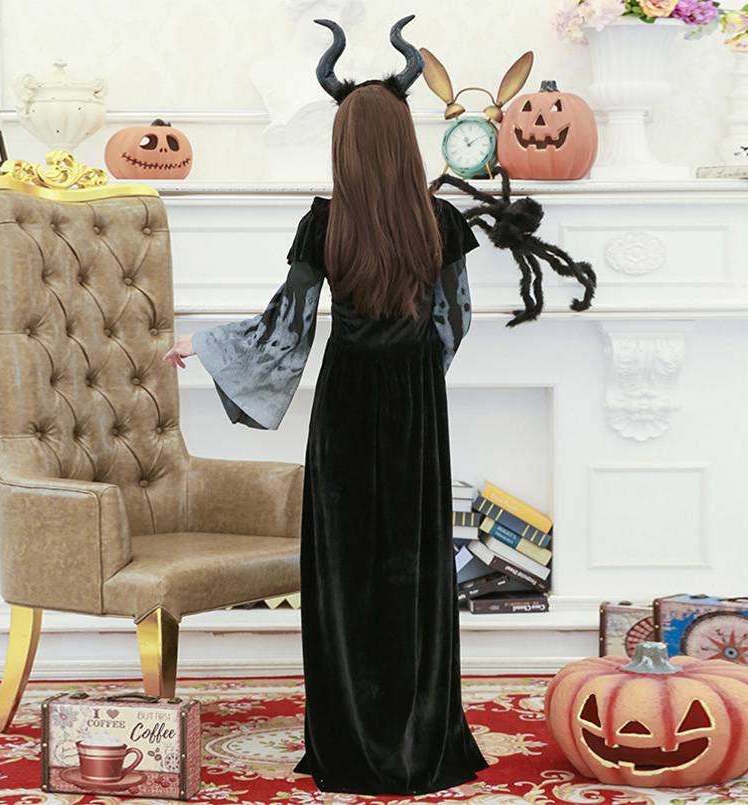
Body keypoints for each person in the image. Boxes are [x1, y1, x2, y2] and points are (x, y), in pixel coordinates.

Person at [163, 14, 488, 796]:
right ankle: (420, 737)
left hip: (345, 405)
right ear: (405, 143)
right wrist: (417, 367)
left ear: (343, 145)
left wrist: (206, 345)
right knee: (414, 568)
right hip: (416, 410)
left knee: (344, 571)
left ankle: (346, 743)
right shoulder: (442, 222)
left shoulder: (324, 223)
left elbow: (289, 325)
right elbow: (456, 321)